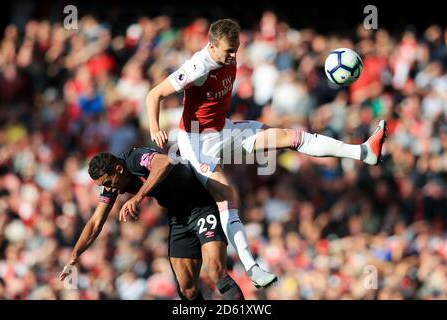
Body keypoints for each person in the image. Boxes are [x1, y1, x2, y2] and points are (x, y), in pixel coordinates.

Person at [145, 18, 387, 288]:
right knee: (227, 194)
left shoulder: (228, 56)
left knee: (288, 136)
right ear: (211, 46)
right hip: (195, 142)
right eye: (228, 51)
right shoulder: (198, 66)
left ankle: (363, 151)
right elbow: (154, 95)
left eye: (236, 49)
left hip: (223, 131)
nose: (233, 55)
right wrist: (156, 129)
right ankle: (251, 268)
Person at [59, 147, 244, 300]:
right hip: (179, 218)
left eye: (108, 182)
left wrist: (137, 198)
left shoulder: (134, 159)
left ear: (118, 169)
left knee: (215, 271)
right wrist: (74, 255)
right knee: (187, 289)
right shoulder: (112, 183)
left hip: (202, 205)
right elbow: (95, 222)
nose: (108, 188)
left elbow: (165, 161)